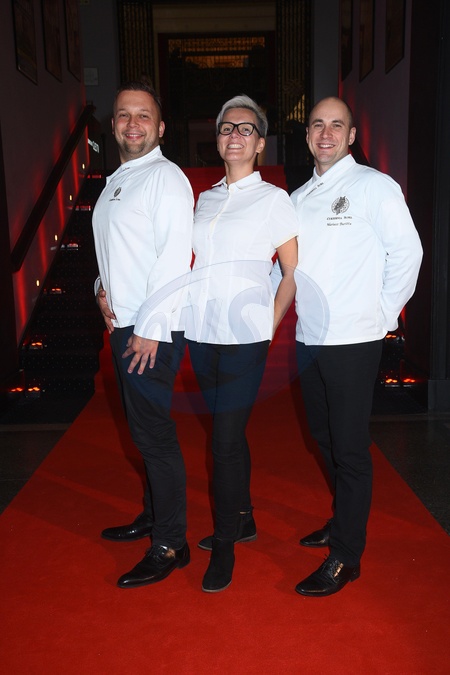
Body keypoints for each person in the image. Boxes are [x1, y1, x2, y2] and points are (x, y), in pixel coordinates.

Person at [290, 96, 423, 597]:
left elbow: (408, 252)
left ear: (350, 136)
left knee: (348, 447)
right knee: (322, 438)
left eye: (336, 125)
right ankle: (342, 517)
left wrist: (382, 315)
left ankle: (346, 555)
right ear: (308, 135)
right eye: (317, 125)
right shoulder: (298, 197)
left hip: (354, 340)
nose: (325, 133)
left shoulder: (374, 186)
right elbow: (286, 268)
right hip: (308, 339)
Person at [184, 95, 298, 592]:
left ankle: (226, 543)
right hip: (200, 332)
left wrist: (268, 324)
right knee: (226, 433)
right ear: (217, 138)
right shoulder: (204, 199)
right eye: (227, 127)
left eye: (246, 128)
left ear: (260, 143)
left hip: (244, 336)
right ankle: (245, 516)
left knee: (224, 443)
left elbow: (291, 273)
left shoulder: (274, 200)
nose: (235, 134)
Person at [92, 81, 194, 588]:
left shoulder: (165, 178)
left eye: (143, 115)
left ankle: (172, 543)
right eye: (124, 115)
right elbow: (115, 250)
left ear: (160, 127)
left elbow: (174, 256)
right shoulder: (117, 179)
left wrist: (151, 328)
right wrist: (99, 288)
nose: (133, 124)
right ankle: (155, 516)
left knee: (153, 436)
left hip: (150, 328)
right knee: (142, 432)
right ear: (113, 125)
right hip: (125, 322)